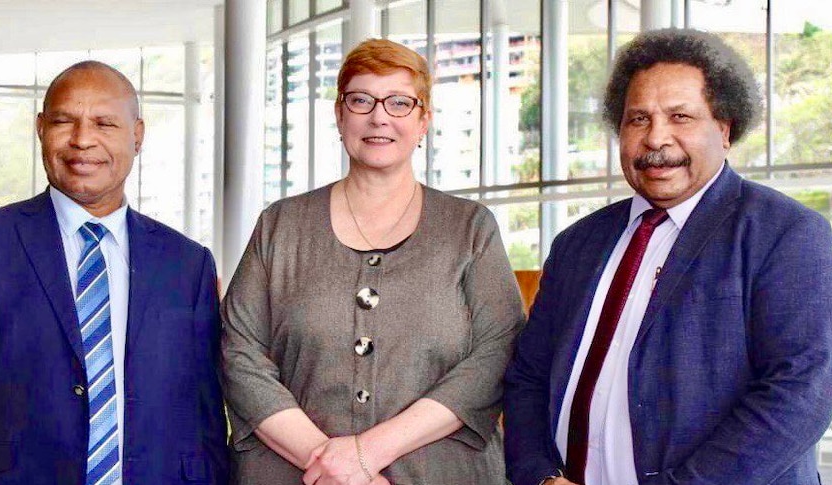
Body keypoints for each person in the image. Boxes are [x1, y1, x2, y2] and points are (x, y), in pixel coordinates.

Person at [503, 28, 832, 485]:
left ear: (724, 128)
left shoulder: (787, 234)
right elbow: (527, 378)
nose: (657, 138)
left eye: (680, 117)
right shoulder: (578, 243)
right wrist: (539, 476)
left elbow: (801, 394)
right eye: (638, 119)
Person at [221, 38, 526, 484]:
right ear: (339, 114)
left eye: (400, 102)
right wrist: (331, 465)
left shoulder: (470, 228)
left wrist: (367, 453)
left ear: (424, 121)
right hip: (294, 473)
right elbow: (239, 353)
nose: (379, 116)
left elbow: (497, 353)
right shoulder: (280, 225)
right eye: (361, 100)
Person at [0, 61, 229, 484]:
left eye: (105, 123)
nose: (82, 140)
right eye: (63, 121)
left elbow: (204, 415)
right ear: (40, 129)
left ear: (137, 135)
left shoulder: (188, 264)